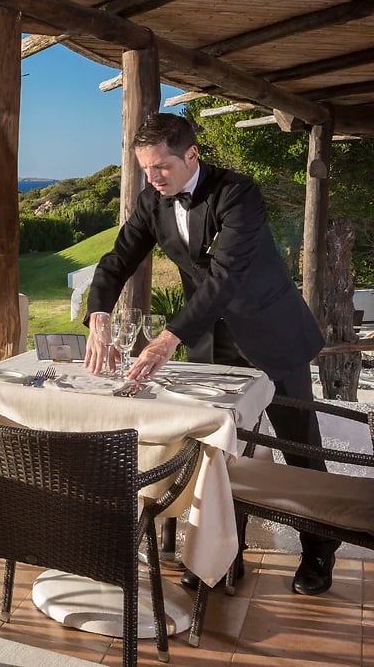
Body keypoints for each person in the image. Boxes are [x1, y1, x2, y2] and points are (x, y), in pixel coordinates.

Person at [84, 112, 339, 595]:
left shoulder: (238, 194)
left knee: (298, 446)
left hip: (272, 335)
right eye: (145, 169)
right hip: (211, 344)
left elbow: (224, 279)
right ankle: (222, 556)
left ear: (191, 155)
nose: (152, 178)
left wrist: (166, 339)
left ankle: (320, 548)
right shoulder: (151, 202)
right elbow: (117, 260)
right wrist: (98, 312)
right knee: (218, 453)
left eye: (161, 167)